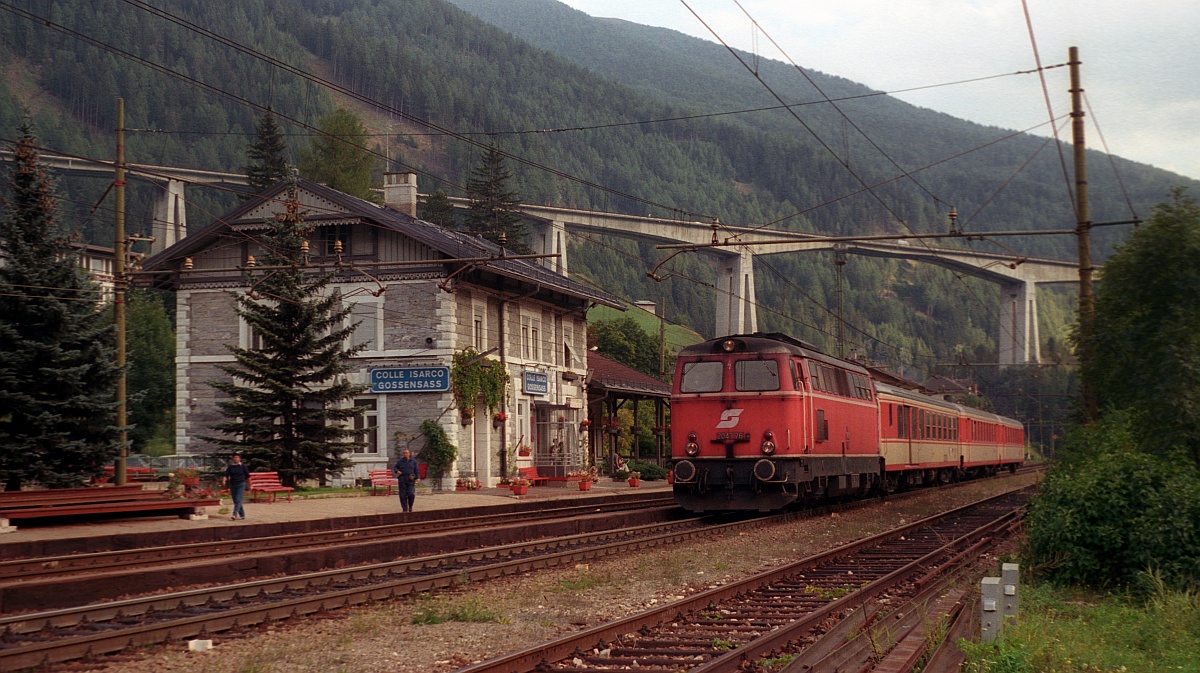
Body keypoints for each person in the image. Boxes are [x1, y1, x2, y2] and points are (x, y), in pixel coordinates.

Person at [222, 452, 251, 521]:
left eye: (237, 457)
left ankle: (234, 514)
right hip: (233, 485)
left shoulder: (243, 466)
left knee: (238, 499)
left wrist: (250, 485)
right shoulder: (230, 467)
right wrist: (224, 480)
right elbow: (226, 474)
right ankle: (242, 515)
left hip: (241, 484)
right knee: (236, 501)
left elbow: (248, 477)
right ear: (233, 459)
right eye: (234, 457)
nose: (236, 459)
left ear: (239, 458)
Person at [393, 448, 420, 512]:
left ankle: (410, 506)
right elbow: (395, 467)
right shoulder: (400, 461)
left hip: (410, 479)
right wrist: (397, 471)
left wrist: (418, 478)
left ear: (409, 454)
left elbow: (416, 470)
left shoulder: (413, 461)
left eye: (406, 453)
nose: (405, 454)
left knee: (411, 493)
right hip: (402, 479)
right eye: (404, 453)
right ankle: (404, 508)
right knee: (402, 495)